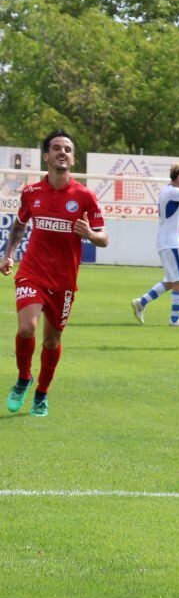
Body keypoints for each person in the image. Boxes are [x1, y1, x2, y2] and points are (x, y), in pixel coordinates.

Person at [1, 130, 108, 416]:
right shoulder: (32, 193)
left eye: (68, 149)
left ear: (73, 159)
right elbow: (20, 225)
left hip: (63, 281)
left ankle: (42, 392)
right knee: (27, 328)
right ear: (47, 156)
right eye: (57, 148)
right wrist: (9, 254)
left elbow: (104, 238)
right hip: (32, 272)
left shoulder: (85, 197)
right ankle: (24, 378)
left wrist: (90, 234)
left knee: (51, 341)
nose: (63, 152)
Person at [131, 162, 179, 328]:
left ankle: (141, 303)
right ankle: (175, 319)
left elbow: (171, 220)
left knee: (173, 280)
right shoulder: (174, 191)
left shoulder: (167, 191)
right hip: (172, 243)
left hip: (170, 241)